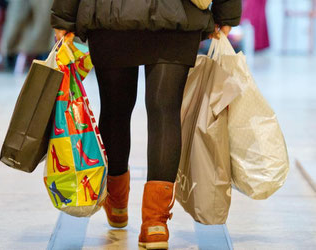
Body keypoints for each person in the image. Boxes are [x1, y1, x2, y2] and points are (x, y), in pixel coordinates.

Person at [51, 0, 241, 249]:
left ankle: (117, 203)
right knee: (165, 109)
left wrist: (64, 16)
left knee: (115, 108)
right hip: (177, 14)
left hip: (111, 15)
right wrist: (226, 13)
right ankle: (155, 223)